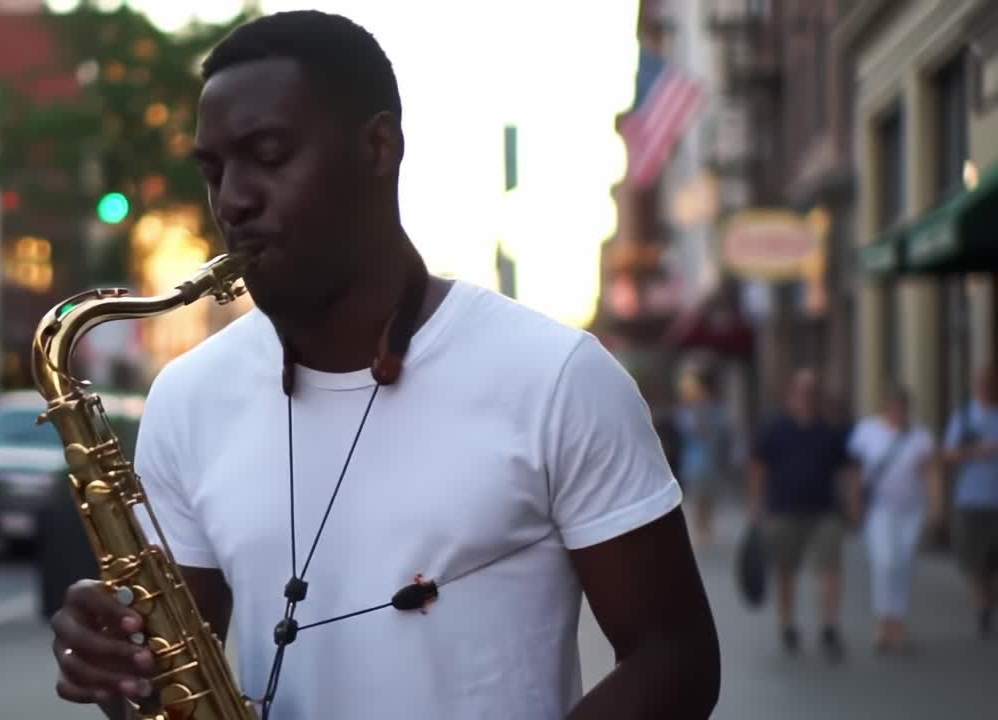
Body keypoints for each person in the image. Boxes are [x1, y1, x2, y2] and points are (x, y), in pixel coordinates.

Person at [50, 11, 720, 720]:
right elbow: (173, 699)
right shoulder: (185, 399)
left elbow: (673, 656)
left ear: (379, 147)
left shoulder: (557, 378)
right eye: (215, 170)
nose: (233, 200)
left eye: (269, 154)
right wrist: (121, 675)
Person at [748, 367, 856, 662]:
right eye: (802, 391)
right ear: (792, 395)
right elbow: (758, 466)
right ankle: (788, 624)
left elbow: (847, 469)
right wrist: (756, 503)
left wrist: (853, 503)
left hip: (825, 510)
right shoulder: (776, 429)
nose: (807, 397)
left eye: (812, 392)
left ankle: (829, 625)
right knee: (786, 570)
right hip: (784, 509)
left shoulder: (829, 430)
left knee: (830, 566)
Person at [846, 385, 938, 654]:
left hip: (911, 509)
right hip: (879, 509)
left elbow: (931, 472)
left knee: (903, 563)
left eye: (903, 407)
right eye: (894, 406)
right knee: (884, 562)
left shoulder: (920, 436)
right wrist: (854, 505)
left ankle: (899, 620)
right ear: (885, 407)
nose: (898, 411)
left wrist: (936, 507)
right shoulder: (868, 431)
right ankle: (882, 622)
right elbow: (855, 470)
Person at [941, 364, 998, 638]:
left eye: (990, 381)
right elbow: (949, 454)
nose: (986, 386)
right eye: (982, 381)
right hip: (972, 498)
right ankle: (982, 610)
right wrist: (977, 451)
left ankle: (990, 600)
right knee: (976, 562)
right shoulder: (963, 416)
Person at [673, 371, 731, 549]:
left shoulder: (718, 412)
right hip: (694, 463)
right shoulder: (688, 412)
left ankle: (708, 527)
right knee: (698, 498)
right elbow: (685, 430)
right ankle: (699, 530)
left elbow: (725, 434)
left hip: (713, 463)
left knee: (710, 498)